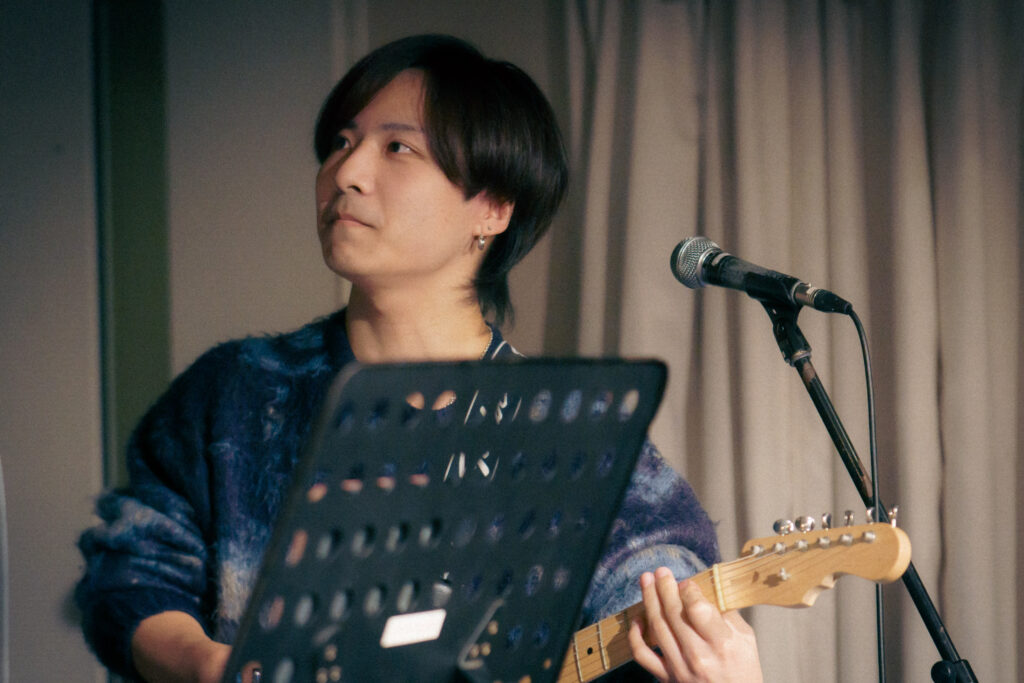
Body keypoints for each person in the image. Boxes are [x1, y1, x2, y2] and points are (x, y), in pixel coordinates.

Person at [75, 34, 761, 682]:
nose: (346, 173)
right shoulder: (237, 392)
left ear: (492, 208)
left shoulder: (572, 429)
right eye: (341, 143)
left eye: (397, 148)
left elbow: (655, 572)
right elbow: (130, 572)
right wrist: (205, 664)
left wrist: (705, 654)